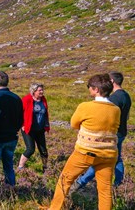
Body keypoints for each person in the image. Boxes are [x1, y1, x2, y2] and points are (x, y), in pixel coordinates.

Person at [48, 74, 120, 210]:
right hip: (109, 154)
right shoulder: (116, 110)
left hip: (85, 152)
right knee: (105, 190)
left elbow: (74, 124)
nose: (89, 90)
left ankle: (54, 208)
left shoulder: (85, 106)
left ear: (96, 90)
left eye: (90, 87)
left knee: (65, 180)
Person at [74, 71, 131, 189]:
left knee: (99, 158)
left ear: (112, 82)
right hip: (122, 132)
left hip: (112, 134)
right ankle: (118, 183)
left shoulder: (114, 98)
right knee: (117, 158)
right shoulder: (126, 95)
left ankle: (82, 181)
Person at [0, 71, 23, 190]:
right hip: (11, 137)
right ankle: (11, 188)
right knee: (9, 165)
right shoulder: (16, 98)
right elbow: (21, 119)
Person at [18, 83, 50, 172]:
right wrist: (22, 125)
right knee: (30, 149)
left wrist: (46, 125)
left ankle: (45, 168)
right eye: (40, 90)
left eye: (42, 90)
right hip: (28, 129)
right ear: (34, 91)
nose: (42, 92)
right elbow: (19, 113)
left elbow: (45, 113)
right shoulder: (26, 99)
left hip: (40, 129)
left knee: (43, 150)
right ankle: (20, 167)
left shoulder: (43, 100)